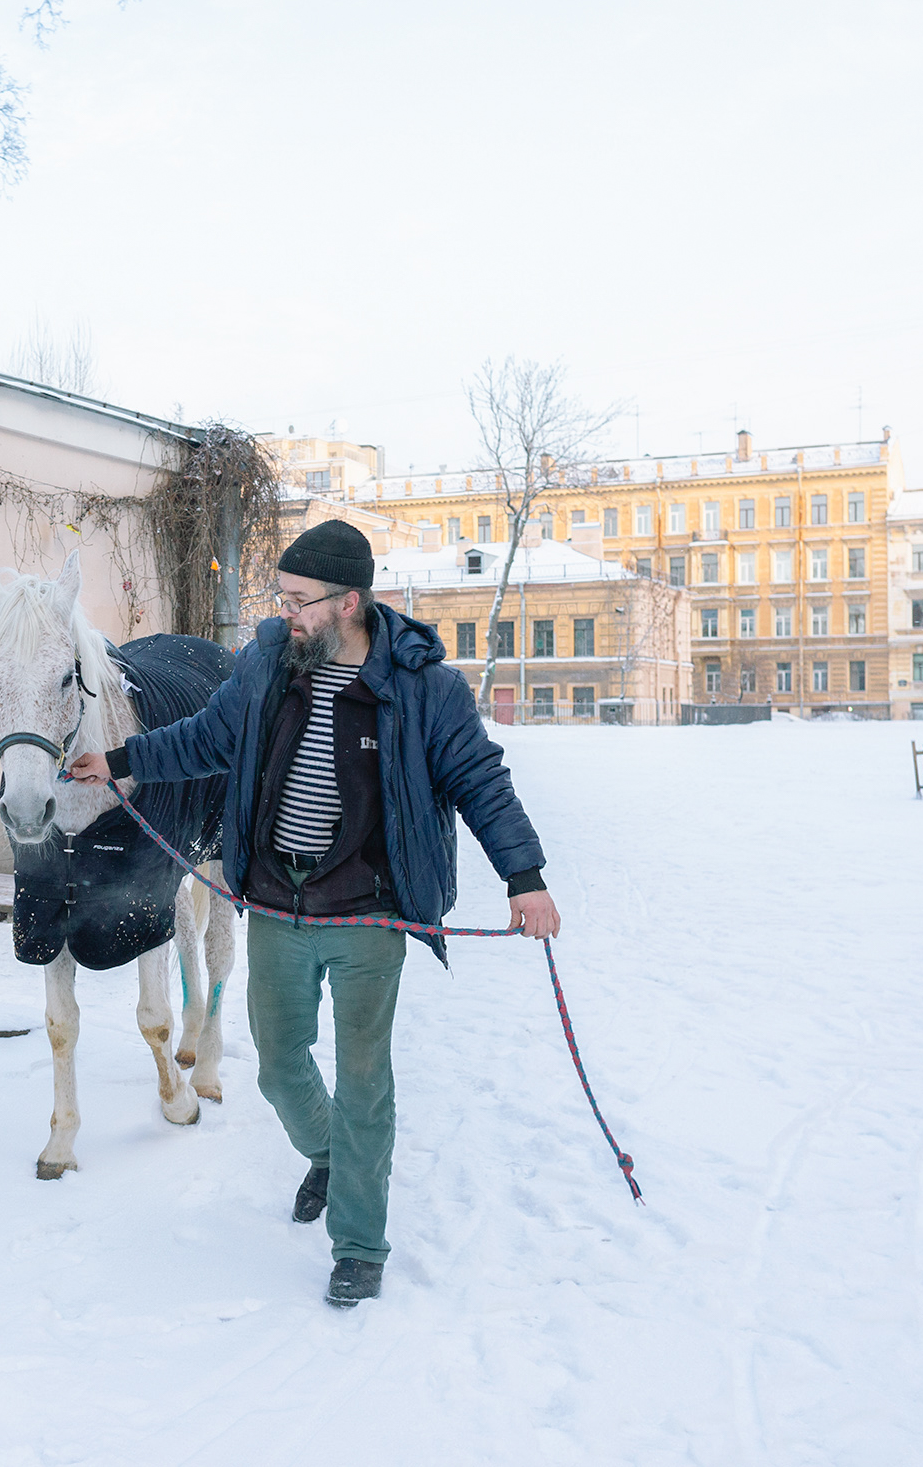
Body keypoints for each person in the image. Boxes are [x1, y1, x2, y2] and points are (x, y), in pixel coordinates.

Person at [65, 519, 558, 1307]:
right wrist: (121, 763)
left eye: (299, 600)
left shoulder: (423, 687)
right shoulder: (270, 665)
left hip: (370, 914)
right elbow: (208, 738)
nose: (285, 612)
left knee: (364, 1083)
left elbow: (480, 780)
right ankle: (333, 1156)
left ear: (349, 602)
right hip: (278, 902)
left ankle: (359, 1245)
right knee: (278, 1063)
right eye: (282, 597)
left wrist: (523, 877)